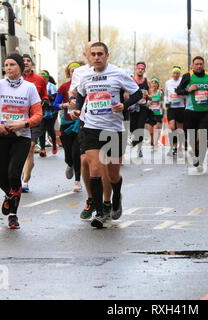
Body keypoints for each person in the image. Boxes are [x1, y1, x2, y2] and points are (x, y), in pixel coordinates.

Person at [74, 42, 142, 228]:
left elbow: (137, 94)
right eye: (93, 54)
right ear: (89, 56)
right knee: (95, 169)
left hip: (113, 129)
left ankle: (116, 196)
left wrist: (124, 105)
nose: (97, 57)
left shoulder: (118, 73)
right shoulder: (85, 75)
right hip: (91, 128)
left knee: (113, 174)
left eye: (100, 54)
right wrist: (77, 109)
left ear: (107, 55)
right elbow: (81, 95)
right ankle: (100, 211)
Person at [0, 53, 42, 229]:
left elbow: (38, 114)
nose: (8, 68)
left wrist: (24, 123)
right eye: (6, 65)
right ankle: (9, 195)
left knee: (14, 174)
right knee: (2, 180)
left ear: (20, 68)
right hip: (1, 136)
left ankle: (13, 216)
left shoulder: (29, 88)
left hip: (21, 137)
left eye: (12, 65)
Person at [68, 41, 113, 220]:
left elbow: (124, 92)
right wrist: (74, 104)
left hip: (107, 122)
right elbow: (74, 93)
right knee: (85, 161)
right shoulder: (79, 72)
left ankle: (107, 201)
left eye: (98, 53)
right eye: (90, 52)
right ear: (85, 53)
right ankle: (91, 199)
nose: (94, 56)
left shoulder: (112, 70)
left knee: (105, 165)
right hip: (86, 120)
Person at [176, 56, 208, 170]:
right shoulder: (188, 76)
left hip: (205, 111)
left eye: (201, 64)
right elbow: (178, 91)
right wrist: (188, 90)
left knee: (203, 136)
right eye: (196, 64)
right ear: (193, 66)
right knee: (192, 137)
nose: (199, 66)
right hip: (191, 111)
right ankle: (195, 154)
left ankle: (201, 159)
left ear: (203, 65)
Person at [21, 54, 49, 193]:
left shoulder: (39, 79)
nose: (26, 63)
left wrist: (44, 101)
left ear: (32, 64)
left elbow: (45, 95)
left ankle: (25, 181)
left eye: (28, 61)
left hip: (35, 118)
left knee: (30, 147)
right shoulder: (15, 79)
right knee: (20, 150)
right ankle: (21, 171)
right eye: (23, 61)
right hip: (18, 119)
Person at [54, 62, 83, 192]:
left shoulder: (85, 85)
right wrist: (65, 105)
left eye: (77, 70)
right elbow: (55, 104)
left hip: (81, 123)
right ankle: (69, 164)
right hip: (66, 123)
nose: (74, 72)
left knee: (77, 152)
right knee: (68, 153)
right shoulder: (63, 87)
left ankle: (77, 181)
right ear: (68, 73)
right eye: (72, 71)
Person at [129, 62, 150, 158]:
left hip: (143, 107)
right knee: (133, 128)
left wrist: (147, 95)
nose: (140, 70)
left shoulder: (147, 81)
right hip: (133, 107)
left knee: (140, 128)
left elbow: (151, 96)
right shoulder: (131, 80)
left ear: (144, 70)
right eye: (139, 69)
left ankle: (139, 149)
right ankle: (136, 141)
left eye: (142, 69)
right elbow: (127, 93)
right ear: (136, 69)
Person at [164, 66, 186, 157]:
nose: (176, 74)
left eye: (178, 73)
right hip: (171, 108)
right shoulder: (168, 83)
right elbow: (166, 95)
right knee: (172, 127)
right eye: (174, 73)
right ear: (172, 74)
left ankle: (179, 148)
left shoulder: (182, 82)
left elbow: (186, 94)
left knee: (180, 129)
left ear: (180, 74)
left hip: (181, 107)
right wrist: (166, 102)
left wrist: (181, 94)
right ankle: (174, 146)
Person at [38, 70, 58, 157]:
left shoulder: (51, 86)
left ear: (47, 78)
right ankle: (42, 149)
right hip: (40, 110)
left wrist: (45, 98)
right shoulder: (37, 86)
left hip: (51, 111)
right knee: (41, 130)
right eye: (41, 78)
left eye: (44, 78)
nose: (43, 80)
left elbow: (55, 98)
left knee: (50, 129)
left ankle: (54, 144)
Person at [146, 78, 164, 148]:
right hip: (150, 114)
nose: (154, 84)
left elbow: (163, 103)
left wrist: (163, 114)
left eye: (155, 83)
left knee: (155, 129)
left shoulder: (160, 92)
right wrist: (148, 103)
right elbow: (145, 103)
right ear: (150, 84)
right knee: (151, 132)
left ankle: (155, 144)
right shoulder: (148, 93)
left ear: (157, 85)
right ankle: (152, 142)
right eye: (152, 82)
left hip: (158, 113)